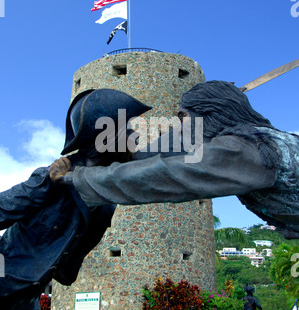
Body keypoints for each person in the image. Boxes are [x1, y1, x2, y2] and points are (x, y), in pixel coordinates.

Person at [0, 88, 150, 310]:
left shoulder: (105, 198)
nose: (136, 135)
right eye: (129, 129)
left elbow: (161, 161)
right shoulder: (51, 179)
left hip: (23, 304)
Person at [53, 80, 299, 240]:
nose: (178, 127)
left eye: (182, 117)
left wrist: (78, 178)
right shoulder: (255, 138)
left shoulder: (243, 150)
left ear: (208, 114)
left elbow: (165, 174)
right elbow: (165, 150)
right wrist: (84, 162)